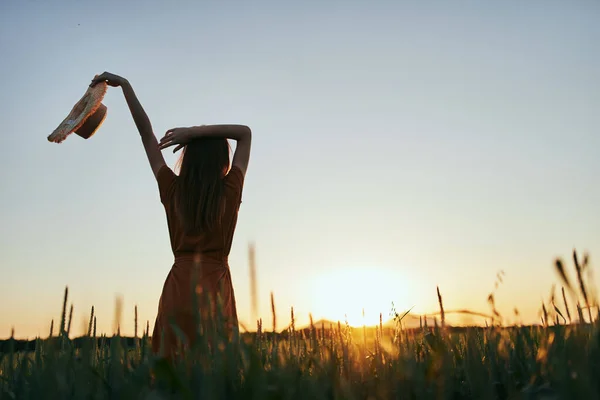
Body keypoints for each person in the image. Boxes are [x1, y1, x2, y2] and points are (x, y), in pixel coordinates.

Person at [90, 72, 252, 360]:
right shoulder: (230, 189)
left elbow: (146, 135)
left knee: (171, 373)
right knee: (215, 373)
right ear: (223, 161)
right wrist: (195, 133)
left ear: (187, 159)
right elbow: (244, 132)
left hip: (178, 287)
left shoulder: (172, 187)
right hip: (215, 288)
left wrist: (125, 86)